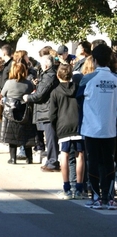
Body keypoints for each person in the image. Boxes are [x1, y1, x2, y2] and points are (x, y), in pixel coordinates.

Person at [77, 44, 117, 209]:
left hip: (91, 128)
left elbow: (78, 101)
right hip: (110, 128)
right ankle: (109, 197)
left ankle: (96, 196)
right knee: (109, 162)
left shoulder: (87, 79)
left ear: (94, 59)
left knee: (92, 162)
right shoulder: (115, 79)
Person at [50, 64, 85, 200]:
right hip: (78, 125)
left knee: (64, 155)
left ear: (58, 76)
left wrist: (55, 127)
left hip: (63, 125)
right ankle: (79, 188)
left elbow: (52, 114)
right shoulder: (78, 89)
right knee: (80, 155)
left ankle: (67, 188)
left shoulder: (55, 92)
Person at [23, 55, 60, 171]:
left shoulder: (49, 75)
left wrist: (28, 97)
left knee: (51, 137)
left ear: (45, 65)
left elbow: (40, 94)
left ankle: (53, 162)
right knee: (49, 137)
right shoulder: (47, 75)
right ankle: (51, 160)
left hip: (48, 110)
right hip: (46, 109)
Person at [0, 61, 37, 164]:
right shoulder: (28, 83)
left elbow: (2, 94)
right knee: (27, 134)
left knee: (12, 135)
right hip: (25, 110)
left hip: (11, 111)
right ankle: (29, 158)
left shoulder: (9, 82)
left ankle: (13, 158)